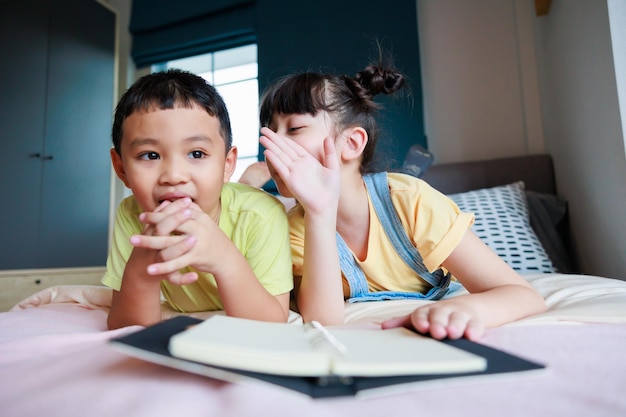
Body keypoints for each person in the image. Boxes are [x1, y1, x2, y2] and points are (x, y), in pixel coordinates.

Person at [258, 59, 547, 341]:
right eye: (270, 131)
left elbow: (521, 294)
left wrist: (464, 308)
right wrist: (319, 213)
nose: (270, 145)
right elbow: (325, 322)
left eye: (293, 128)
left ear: (351, 143)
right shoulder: (295, 227)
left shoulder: (411, 201)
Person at [103, 69, 293, 330]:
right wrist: (141, 271)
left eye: (196, 153)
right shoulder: (133, 214)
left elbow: (272, 323)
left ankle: (245, 185)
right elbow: (126, 327)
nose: (174, 176)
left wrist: (225, 259)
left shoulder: (262, 214)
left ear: (227, 165)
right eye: (150, 156)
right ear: (122, 168)